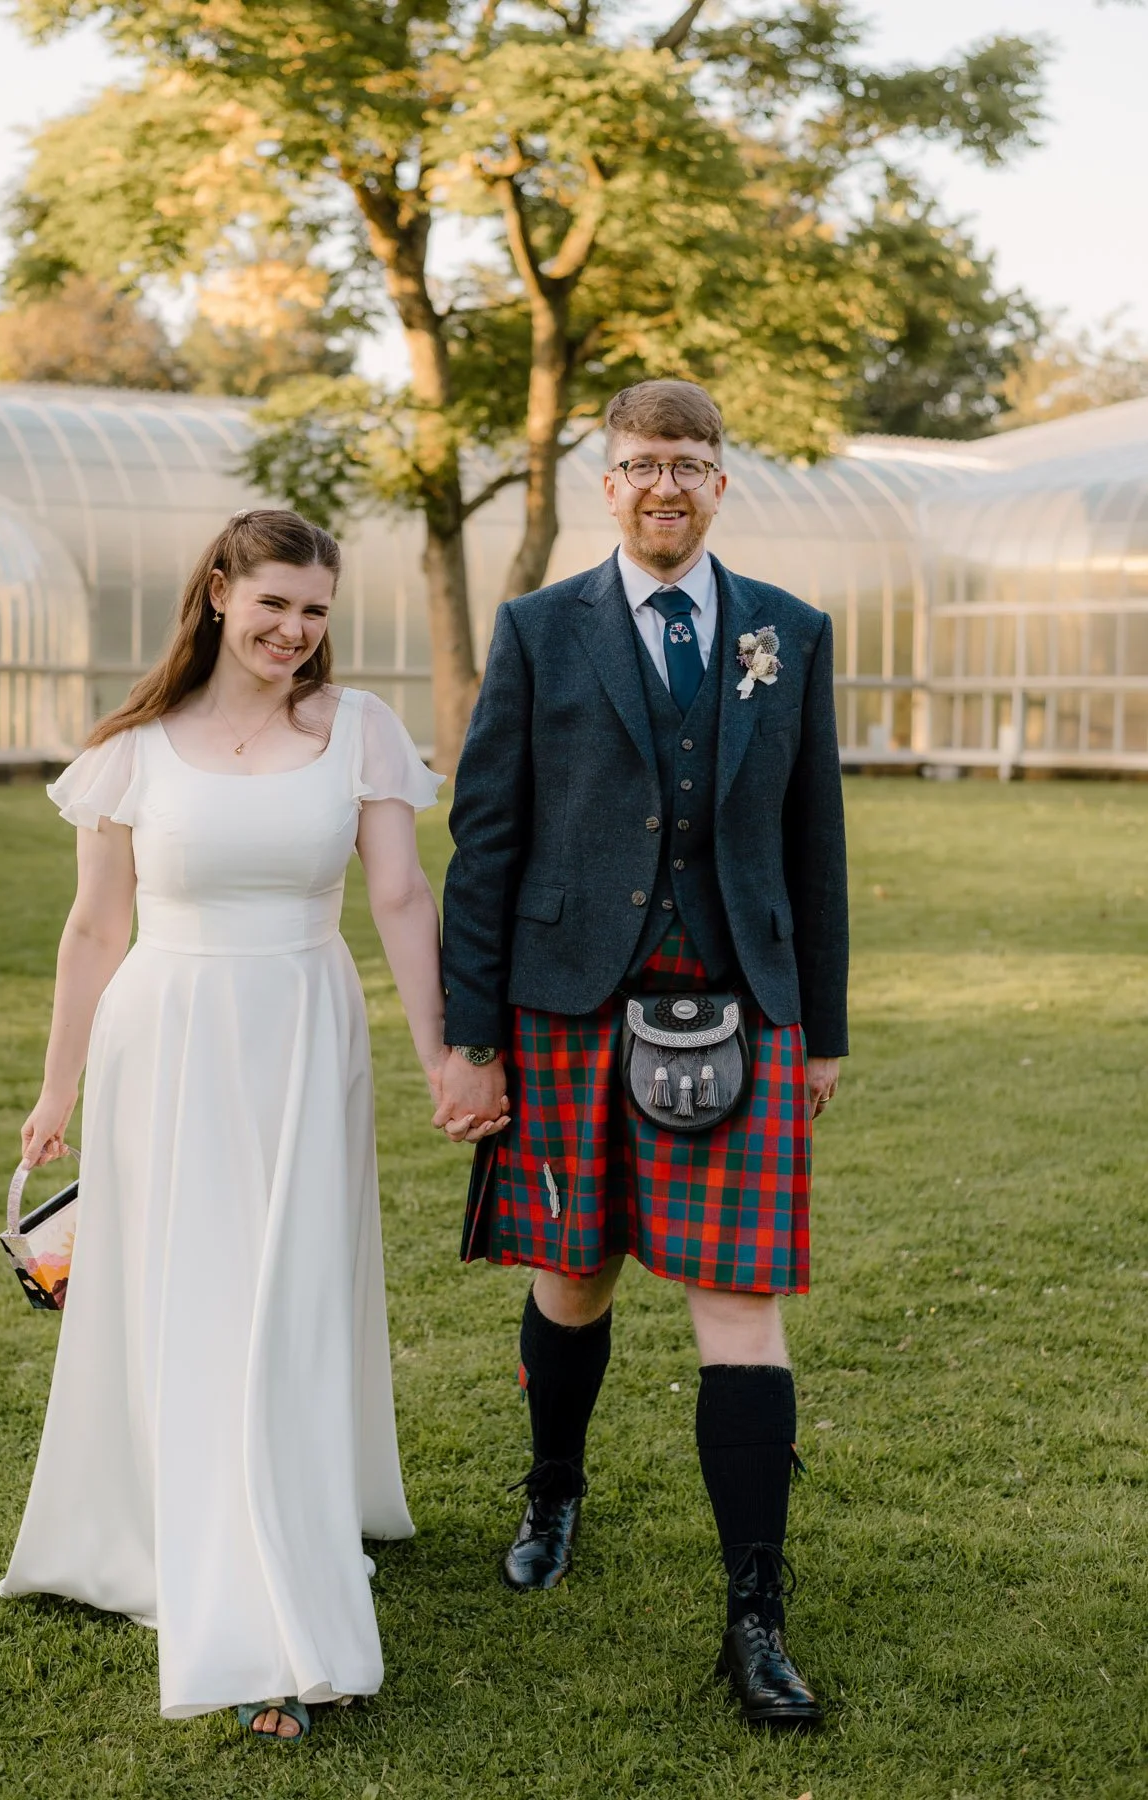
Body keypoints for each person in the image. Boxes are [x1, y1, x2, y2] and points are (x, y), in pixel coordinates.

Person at [0, 508, 466, 1741]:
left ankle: (285, 1530)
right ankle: (221, 1568)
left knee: (286, 1300)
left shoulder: (357, 730)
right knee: (191, 1303)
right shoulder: (133, 749)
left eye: (316, 610)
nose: (294, 631)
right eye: (273, 604)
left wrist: (442, 1053)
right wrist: (58, 1089)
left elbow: (404, 899)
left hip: (305, 1037)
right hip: (163, 1044)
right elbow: (97, 930)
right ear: (217, 593)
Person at [436, 380, 849, 1730]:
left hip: (738, 1003)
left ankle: (754, 1614)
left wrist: (821, 1029)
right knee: (572, 1274)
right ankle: (553, 1491)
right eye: (635, 465)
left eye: (687, 462)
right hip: (562, 1011)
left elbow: (813, 846)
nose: (661, 484)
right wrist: (471, 1039)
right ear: (602, 486)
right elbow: (485, 845)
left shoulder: (787, 632)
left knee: (739, 1306)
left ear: (720, 479)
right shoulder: (539, 630)